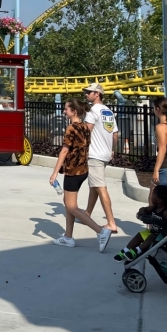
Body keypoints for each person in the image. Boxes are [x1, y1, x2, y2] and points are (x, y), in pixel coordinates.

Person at [49, 98, 113, 252]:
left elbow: (64, 150)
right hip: (83, 170)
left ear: (74, 111)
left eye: (66, 109)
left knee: (72, 206)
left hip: (72, 171)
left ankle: (101, 231)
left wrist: (54, 172)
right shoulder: (85, 127)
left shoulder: (71, 128)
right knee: (68, 203)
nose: (64, 111)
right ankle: (68, 237)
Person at [83, 82, 120, 234]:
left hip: (94, 154)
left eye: (89, 92)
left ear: (97, 94)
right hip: (105, 153)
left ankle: (111, 222)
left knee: (100, 186)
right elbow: (115, 134)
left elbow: (86, 132)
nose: (86, 94)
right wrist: (112, 150)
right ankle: (87, 214)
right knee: (94, 185)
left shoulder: (93, 111)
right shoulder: (108, 111)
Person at [114, 185, 167, 262]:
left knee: (152, 237)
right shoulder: (154, 207)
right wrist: (142, 211)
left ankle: (137, 251)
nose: (151, 196)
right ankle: (125, 250)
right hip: (153, 232)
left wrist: (160, 222)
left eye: (153, 194)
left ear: (159, 200)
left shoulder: (166, 213)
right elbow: (144, 209)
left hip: (161, 236)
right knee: (140, 235)